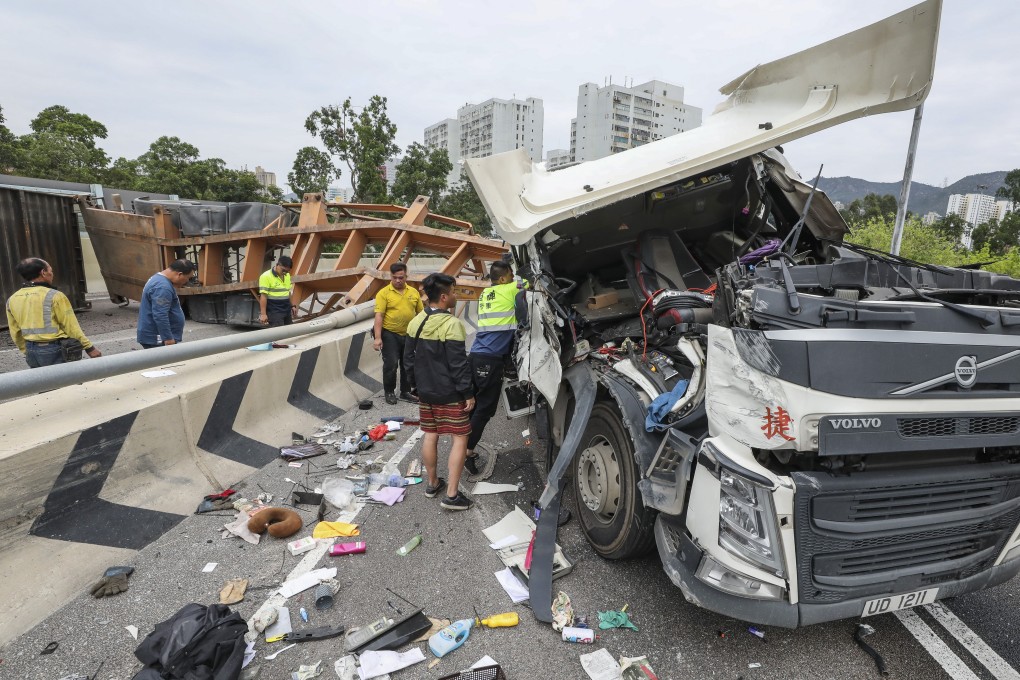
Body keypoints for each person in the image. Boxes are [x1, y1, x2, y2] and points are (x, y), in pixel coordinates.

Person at [404, 272, 476, 511]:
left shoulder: (416, 321)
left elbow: (408, 360)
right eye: (454, 292)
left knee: (430, 433)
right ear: (444, 297)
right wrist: (467, 393)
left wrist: (414, 387)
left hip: (426, 392)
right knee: (460, 437)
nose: (456, 295)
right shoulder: (452, 325)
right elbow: (458, 365)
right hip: (449, 393)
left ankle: (433, 483)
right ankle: (452, 495)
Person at [464, 260, 523, 474]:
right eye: (511, 274)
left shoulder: (485, 295)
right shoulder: (509, 289)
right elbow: (532, 281)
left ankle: (462, 444)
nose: (513, 277)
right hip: (490, 360)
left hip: (476, 355)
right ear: (503, 278)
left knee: (474, 406)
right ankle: (467, 452)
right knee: (485, 409)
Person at [6, 257, 102, 368]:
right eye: (51, 271)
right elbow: (72, 327)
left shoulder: (12, 299)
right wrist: (90, 348)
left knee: (45, 383)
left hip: (31, 351)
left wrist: (26, 350)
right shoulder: (55, 295)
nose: (52, 274)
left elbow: (15, 332)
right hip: (54, 350)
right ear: (43, 272)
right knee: (65, 383)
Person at [373, 262, 423, 405]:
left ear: (406, 276)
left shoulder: (413, 292)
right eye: (395, 277)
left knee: (407, 364)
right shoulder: (384, 293)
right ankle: (389, 392)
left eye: (401, 277)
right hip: (390, 334)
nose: (398, 281)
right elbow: (379, 316)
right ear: (391, 276)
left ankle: (405, 391)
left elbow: (420, 314)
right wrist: (377, 338)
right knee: (391, 364)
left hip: (409, 334)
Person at [137, 259, 196, 348]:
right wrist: (168, 338)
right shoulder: (163, 287)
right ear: (179, 274)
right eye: (188, 277)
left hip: (155, 336)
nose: (187, 281)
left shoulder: (157, 278)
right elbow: (160, 314)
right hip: (157, 338)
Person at [258, 255, 297, 326]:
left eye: (287, 271)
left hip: (286, 309)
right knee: (279, 333)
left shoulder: (287, 276)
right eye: (283, 270)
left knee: (289, 331)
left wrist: (293, 306)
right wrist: (263, 314)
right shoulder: (266, 276)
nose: (285, 273)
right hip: (275, 311)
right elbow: (263, 296)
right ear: (277, 265)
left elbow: (288, 292)